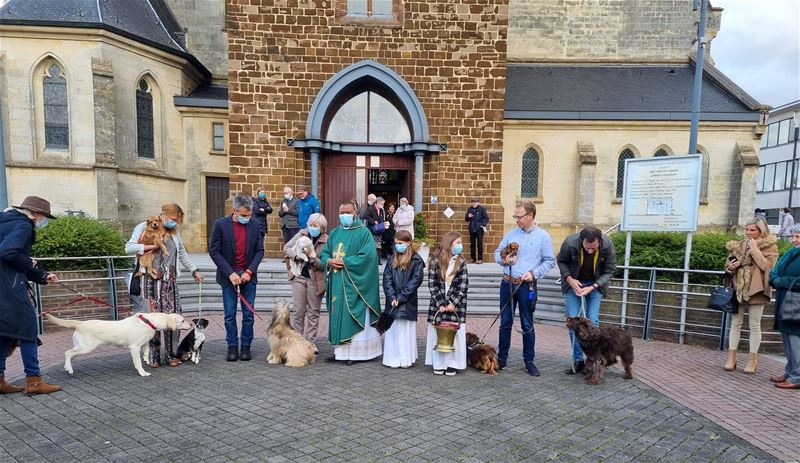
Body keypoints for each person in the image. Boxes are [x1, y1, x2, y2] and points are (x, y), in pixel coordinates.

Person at [125, 203, 204, 367]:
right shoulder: (143, 226)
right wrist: (151, 246)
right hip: (149, 281)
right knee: (152, 319)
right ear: (163, 214)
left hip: (170, 282)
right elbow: (129, 247)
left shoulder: (173, 233)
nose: (175, 223)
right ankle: (154, 356)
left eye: (177, 220)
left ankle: (171, 354)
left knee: (173, 319)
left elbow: (181, 253)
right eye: (173, 219)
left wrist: (194, 270)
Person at [0, 196, 62, 395]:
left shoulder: (6, 222)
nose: (42, 222)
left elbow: (12, 259)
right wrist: (29, 262)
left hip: (3, 284)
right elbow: (8, 253)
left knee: (4, 333)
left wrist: (42, 275)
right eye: (43, 217)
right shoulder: (23, 226)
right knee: (27, 330)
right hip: (9, 288)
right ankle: (34, 381)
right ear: (36, 213)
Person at [493, 199, 556, 377]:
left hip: (526, 285)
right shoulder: (511, 234)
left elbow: (550, 261)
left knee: (527, 324)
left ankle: (529, 361)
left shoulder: (543, 236)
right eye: (515, 216)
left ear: (530, 216)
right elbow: (497, 253)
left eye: (519, 216)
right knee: (505, 322)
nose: (516, 220)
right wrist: (504, 260)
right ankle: (502, 359)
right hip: (507, 282)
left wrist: (534, 274)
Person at [319, 201, 382, 365]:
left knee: (352, 316)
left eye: (347, 212)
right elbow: (324, 253)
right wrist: (329, 261)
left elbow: (368, 257)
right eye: (341, 212)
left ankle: (356, 354)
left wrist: (345, 262)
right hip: (336, 281)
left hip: (354, 283)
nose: (344, 215)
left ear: (355, 213)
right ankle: (339, 352)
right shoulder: (334, 233)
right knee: (337, 314)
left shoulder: (363, 233)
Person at [209, 195, 265, 362]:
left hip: (248, 274)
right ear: (234, 211)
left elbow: (259, 251)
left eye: (249, 215)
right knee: (229, 314)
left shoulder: (255, 224)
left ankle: (246, 347)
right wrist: (230, 273)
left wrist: (249, 271)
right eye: (244, 215)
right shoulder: (220, 225)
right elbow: (215, 251)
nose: (247, 218)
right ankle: (232, 347)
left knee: (248, 314)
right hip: (229, 276)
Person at [556, 226, 617, 375]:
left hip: (595, 285)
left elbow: (610, 271)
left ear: (599, 241)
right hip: (574, 283)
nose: (590, 251)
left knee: (593, 322)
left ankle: (591, 360)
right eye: (587, 247)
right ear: (581, 241)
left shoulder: (608, 245)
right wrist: (570, 280)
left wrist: (594, 286)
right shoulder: (570, 243)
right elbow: (561, 261)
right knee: (573, 322)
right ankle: (578, 361)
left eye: (594, 248)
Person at [723, 217, 778, 374]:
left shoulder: (770, 247)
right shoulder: (739, 245)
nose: (749, 233)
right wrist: (730, 267)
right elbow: (728, 264)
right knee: (735, 323)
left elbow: (768, 267)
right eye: (747, 229)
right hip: (738, 288)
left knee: (754, 324)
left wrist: (754, 250)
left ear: (761, 231)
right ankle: (731, 358)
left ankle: (752, 360)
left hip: (757, 288)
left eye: (752, 230)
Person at [425, 231, 469, 375]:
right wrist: (440, 304)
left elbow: (463, 286)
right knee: (438, 334)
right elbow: (432, 284)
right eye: (458, 243)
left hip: (456, 306)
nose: (460, 246)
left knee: (454, 335)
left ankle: (453, 364)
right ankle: (438, 363)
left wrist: (453, 304)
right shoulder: (435, 261)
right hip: (439, 305)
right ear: (449, 244)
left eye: (460, 243)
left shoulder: (461, 262)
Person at [382, 230, 425, 368]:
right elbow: (386, 279)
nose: (397, 246)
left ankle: (405, 358)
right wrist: (392, 296)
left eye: (400, 243)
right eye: (395, 243)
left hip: (407, 302)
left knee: (405, 332)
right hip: (393, 301)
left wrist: (400, 297)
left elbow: (415, 281)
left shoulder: (416, 260)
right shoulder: (392, 258)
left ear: (408, 243)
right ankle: (392, 358)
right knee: (393, 331)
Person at [284, 213, 328, 345]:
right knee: (298, 312)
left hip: (316, 281)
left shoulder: (327, 241)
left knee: (313, 313)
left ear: (322, 228)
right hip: (299, 277)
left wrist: (312, 257)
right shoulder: (301, 234)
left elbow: (324, 265)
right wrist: (296, 256)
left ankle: (309, 344)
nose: (312, 228)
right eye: (310, 224)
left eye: (316, 225)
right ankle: (297, 343)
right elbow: (286, 247)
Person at [768, 223, 800, 389]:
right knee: (787, 338)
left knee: (795, 340)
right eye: (793, 236)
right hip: (785, 299)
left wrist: (780, 281)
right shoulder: (791, 252)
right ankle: (789, 372)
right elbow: (775, 270)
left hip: (796, 302)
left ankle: (797, 377)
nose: (794, 240)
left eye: (798, 237)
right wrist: (775, 278)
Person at [465, 196, 489, 264]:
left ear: (478, 202)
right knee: (472, 244)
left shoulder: (482, 209)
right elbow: (466, 219)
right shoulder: (470, 209)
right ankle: (473, 258)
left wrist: (483, 225)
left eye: (475, 202)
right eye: (472, 202)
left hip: (479, 229)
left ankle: (480, 259)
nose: (474, 203)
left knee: (479, 244)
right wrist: (468, 216)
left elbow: (486, 218)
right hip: (472, 229)